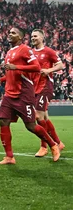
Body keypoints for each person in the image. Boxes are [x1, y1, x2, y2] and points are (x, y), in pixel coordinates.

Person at [0, 27, 60, 165]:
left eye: (13, 33)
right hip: (9, 94)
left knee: (30, 125)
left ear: (21, 37)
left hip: (23, 94)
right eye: (9, 32)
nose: (10, 35)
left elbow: (35, 67)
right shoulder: (10, 52)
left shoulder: (25, 49)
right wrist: (2, 80)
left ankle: (53, 145)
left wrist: (15, 67)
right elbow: (13, 72)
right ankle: (9, 157)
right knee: (3, 121)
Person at [31, 29, 65, 157]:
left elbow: (61, 65)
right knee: (44, 117)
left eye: (35, 36)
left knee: (38, 117)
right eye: (31, 36)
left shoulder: (48, 51)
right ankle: (58, 142)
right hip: (34, 87)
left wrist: (48, 70)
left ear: (42, 37)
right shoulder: (31, 53)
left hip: (45, 86)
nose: (33, 38)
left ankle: (44, 146)